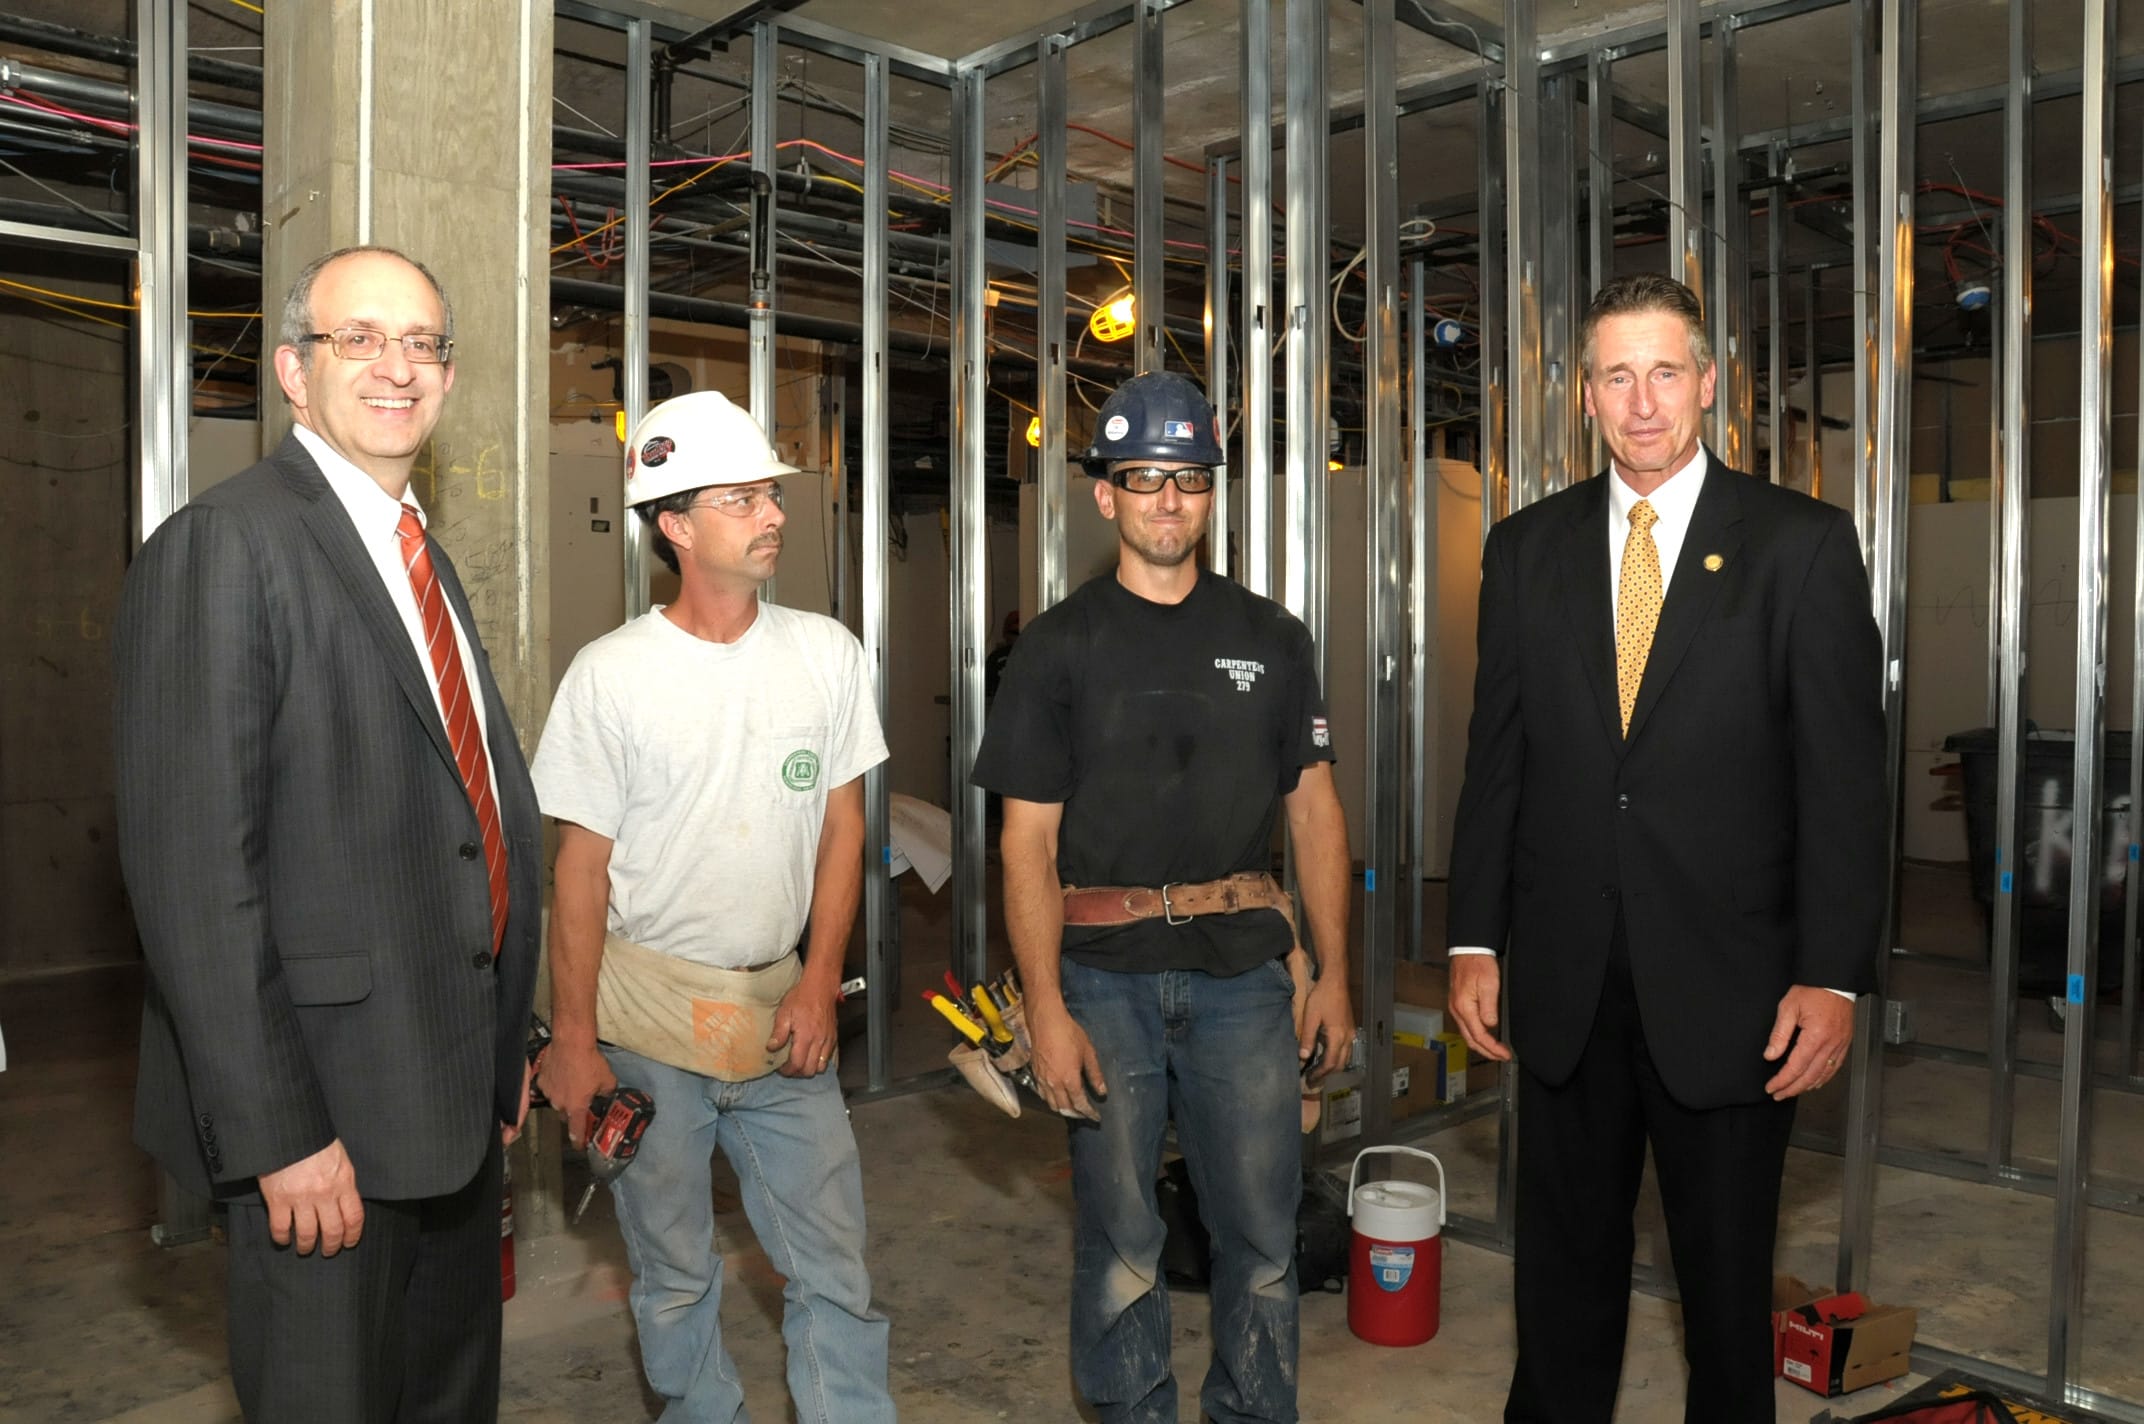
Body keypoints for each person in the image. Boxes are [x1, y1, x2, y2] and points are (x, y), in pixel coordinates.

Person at [1445, 272, 1887, 1423]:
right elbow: (1497, 759)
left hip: (1736, 994)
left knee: (1724, 1289)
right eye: (1614, 375)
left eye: (1663, 371)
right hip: (1564, 980)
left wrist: (1831, 973)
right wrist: (1470, 936)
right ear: (1582, 394)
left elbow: (1843, 786)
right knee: (1559, 1280)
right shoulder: (1524, 549)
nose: (1641, 402)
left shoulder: (1798, 547)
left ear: (1707, 382)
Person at [114, 245, 543, 1422]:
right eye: (362, 339)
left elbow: (461, 821)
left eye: (423, 343)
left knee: (446, 1399)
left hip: (449, 1103)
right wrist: (280, 1134)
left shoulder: (420, 556)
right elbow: (195, 878)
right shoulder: (228, 546)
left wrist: (503, 1046)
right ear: (295, 372)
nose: (397, 367)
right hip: (327, 1133)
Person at [973, 370, 1355, 1424]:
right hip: (1102, 981)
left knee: (1261, 1237)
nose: (1167, 500)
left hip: (1243, 976)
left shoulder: (1272, 637)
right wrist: (1043, 1008)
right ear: (1105, 494)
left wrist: (1329, 974)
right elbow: (1025, 846)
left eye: (1188, 479)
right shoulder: (1056, 647)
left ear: (1209, 493)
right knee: (1122, 1237)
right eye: (1143, 478)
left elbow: (1316, 813)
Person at [531, 389, 895, 1424]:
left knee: (833, 1270)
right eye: (741, 497)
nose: (771, 513)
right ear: (675, 525)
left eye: (770, 492)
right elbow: (579, 874)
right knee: (676, 1274)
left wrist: (821, 979)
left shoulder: (825, 652)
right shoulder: (610, 678)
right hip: (647, 1027)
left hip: (781, 1018)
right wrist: (573, 1040)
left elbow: (842, 830)